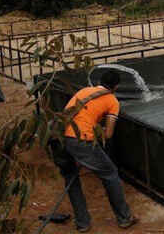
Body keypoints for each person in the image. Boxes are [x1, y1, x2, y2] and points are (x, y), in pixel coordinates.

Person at [59, 70, 137, 232]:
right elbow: (108, 134)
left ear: (99, 82)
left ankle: (83, 223)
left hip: (61, 139)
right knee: (110, 174)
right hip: (81, 141)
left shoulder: (84, 91)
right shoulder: (112, 101)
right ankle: (124, 218)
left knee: (71, 179)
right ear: (116, 86)